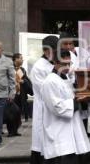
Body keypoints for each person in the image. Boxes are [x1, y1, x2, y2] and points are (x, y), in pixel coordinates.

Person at [41, 49, 90, 163]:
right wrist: (77, 101)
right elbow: (57, 107)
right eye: (64, 64)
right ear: (55, 62)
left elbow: (70, 97)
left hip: (70, 128)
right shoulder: (50, 81)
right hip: (59, 130)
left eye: (69, 63)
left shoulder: (65, 78)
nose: (67, 67)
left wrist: (83, 100)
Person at [30, 35, 59, 164]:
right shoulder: (38, 67)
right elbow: (44, 90)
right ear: (45, 50)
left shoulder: (56, 63)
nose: (54, 53)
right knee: (42, 141)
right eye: (51, 50)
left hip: (56, 107)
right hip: (44, 108)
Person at [13, 53, 33, 122]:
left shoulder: (22, 69)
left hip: (21, 93)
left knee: (20, 108)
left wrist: (23, 81)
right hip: (12, 93)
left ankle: (19, 122)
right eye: (21, 58)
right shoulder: (10, 68)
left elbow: (25, 79)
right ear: (16, 59)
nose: (22, 60)